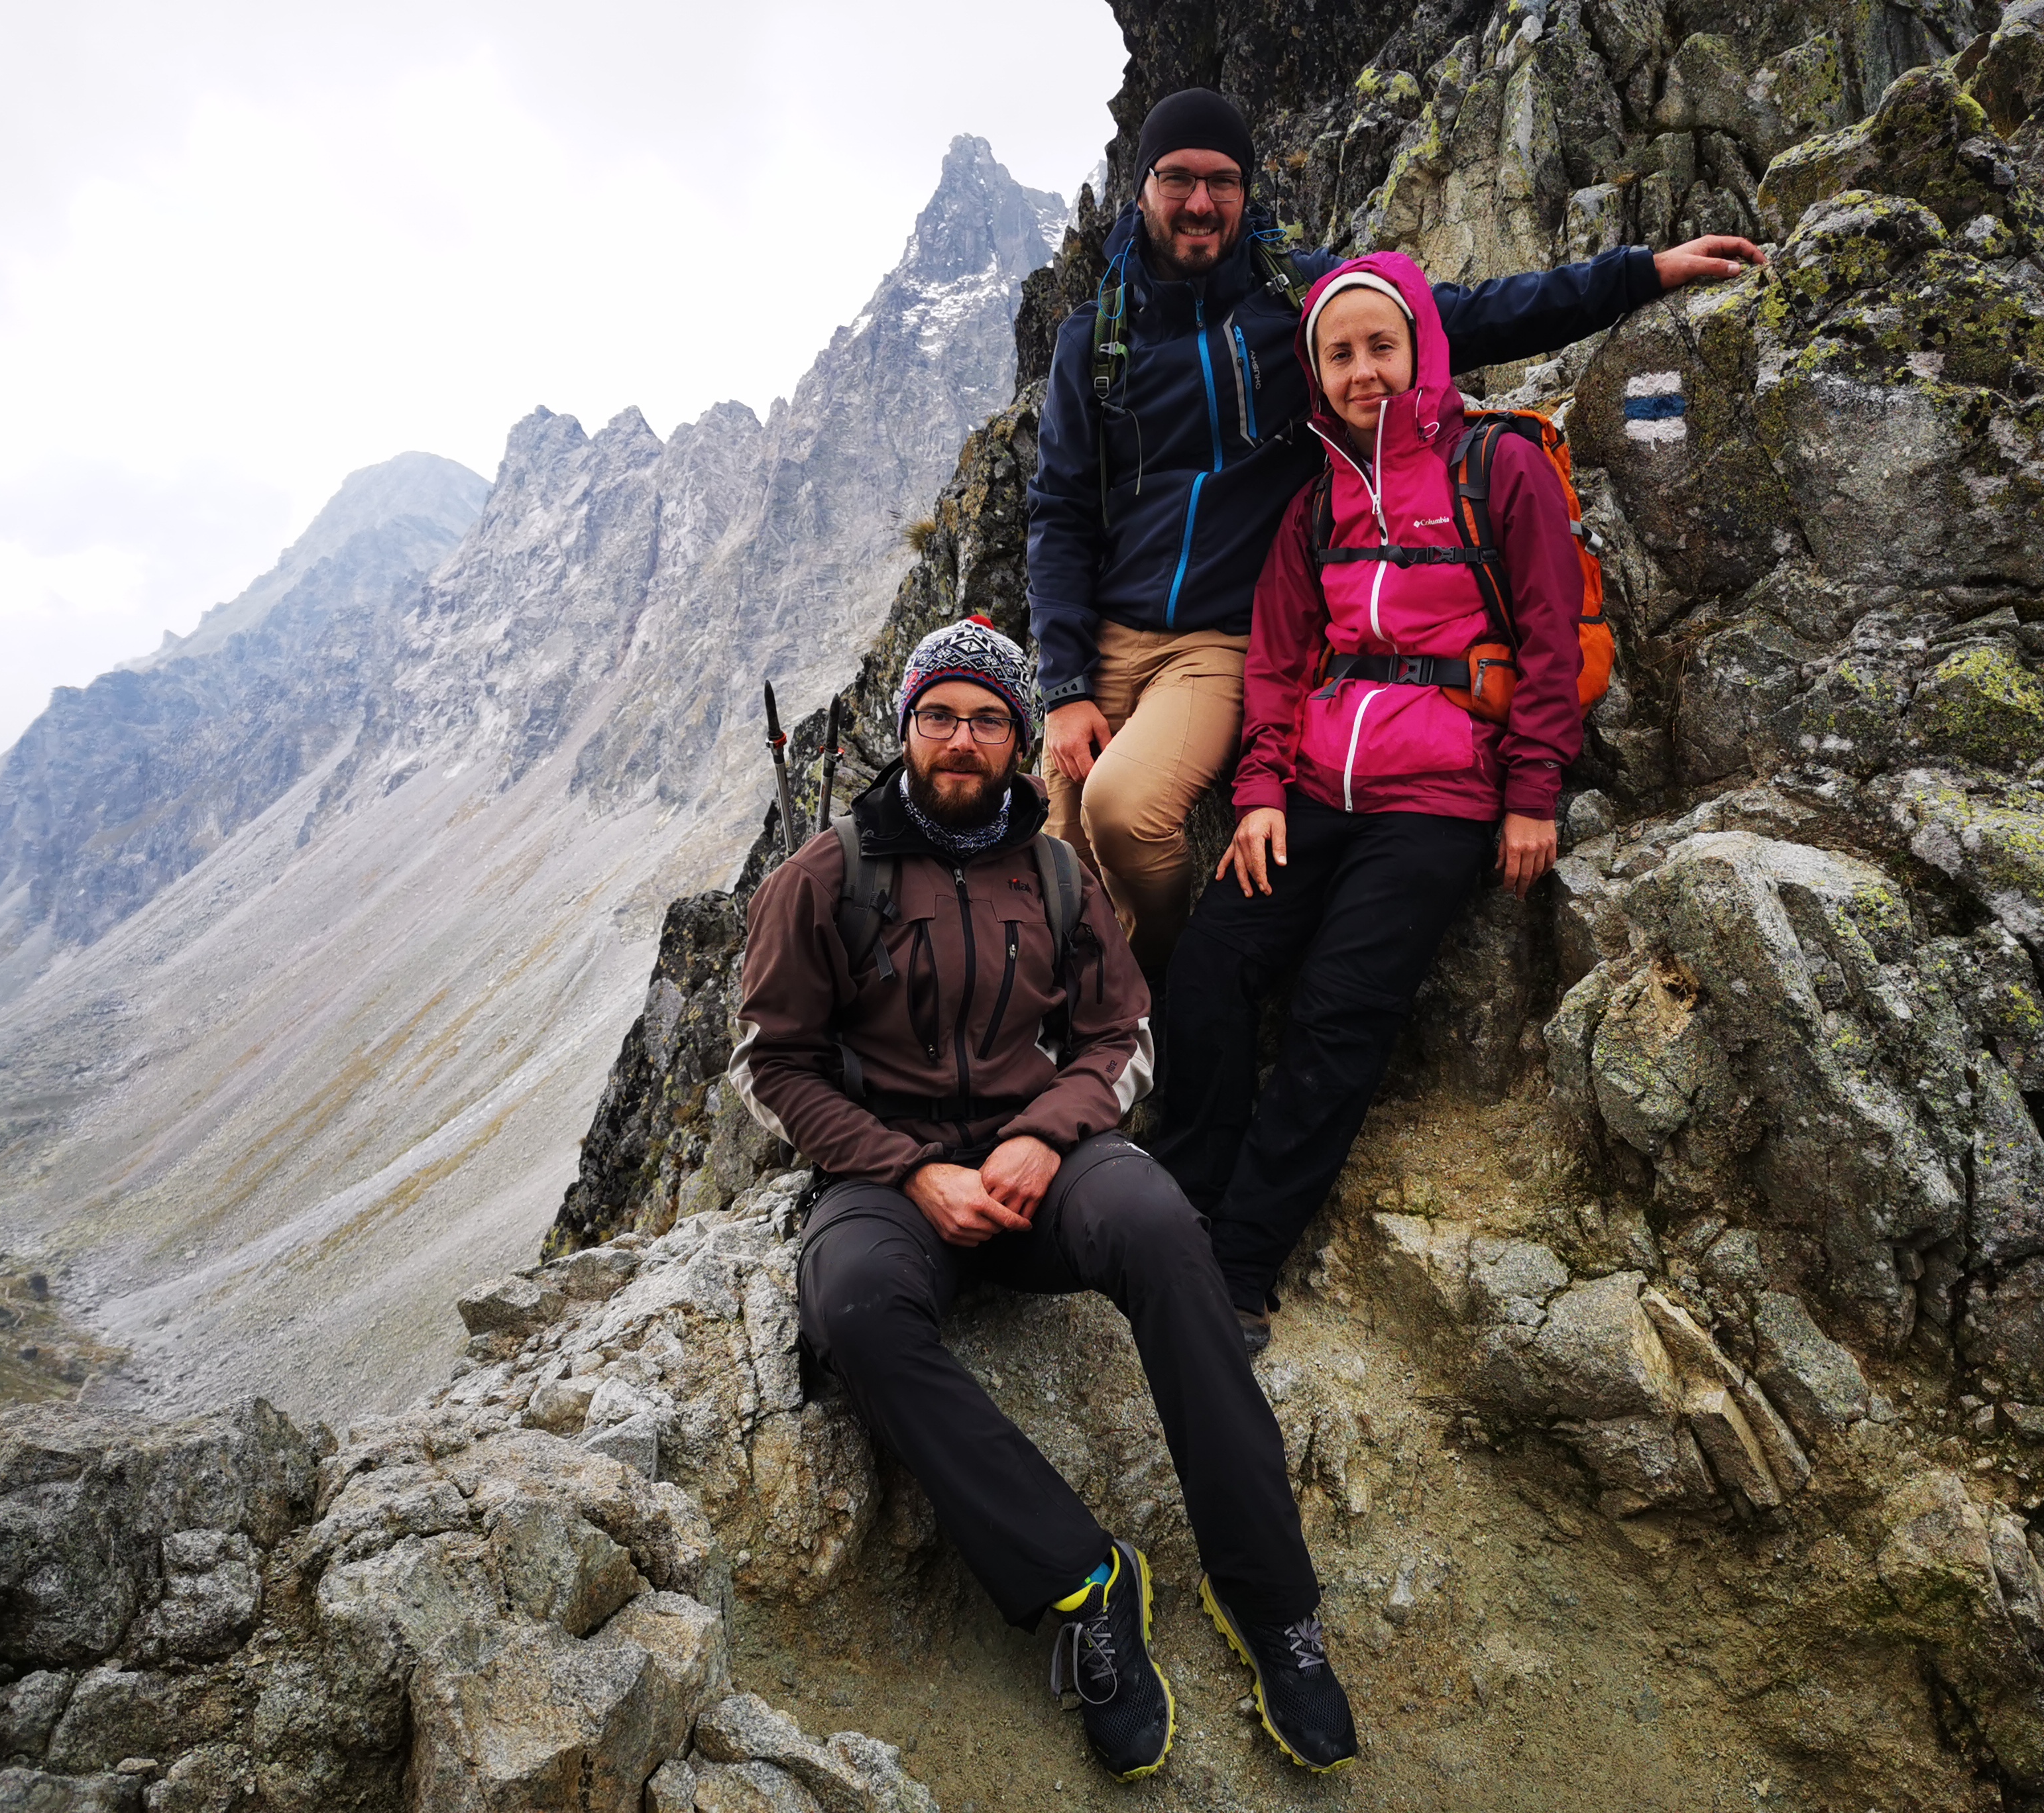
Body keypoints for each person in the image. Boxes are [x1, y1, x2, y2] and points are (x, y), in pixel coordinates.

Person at [726, 616, 1358, 1781]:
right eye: (938, 716)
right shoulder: (824, 877)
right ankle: (1083, 1585)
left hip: (1045, 1162)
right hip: (892, 1179)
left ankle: (1270, 1600)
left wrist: (1039, 1136)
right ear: (907, 727)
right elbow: (772, 1067)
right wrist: (910, 1168)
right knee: (853, 1300)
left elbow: (1122, 1034)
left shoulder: (1060, 875)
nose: (959, 740)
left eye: (985, 719)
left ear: (1019, 738)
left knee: (1168, 1227)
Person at [1028, 85, 1763, 974]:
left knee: (1119, 810)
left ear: (1245, 193)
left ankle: (1152, 1001)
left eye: (1220, 183)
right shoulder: (1093, 339)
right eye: (1177, 179)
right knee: (1053, 851)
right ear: (1140, 188)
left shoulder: (1296, 307)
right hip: (1110, 629)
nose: (1198, 203)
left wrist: (1641, 273)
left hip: (1223, 637)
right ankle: (1084, 1029)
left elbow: (1467, 315)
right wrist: (1064, 683)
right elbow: (1061, 511)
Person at [1152, 253, 1588, 1352]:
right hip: (1312, 793)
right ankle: (1187, 1199)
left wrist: (1531, 795)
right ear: (1317, 371)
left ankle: (1240, 1267)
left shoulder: (1502, 468)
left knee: (1338, 1015)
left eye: (1381, 347)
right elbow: (1278, 661)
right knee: (1210, 964)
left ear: (1420, 349)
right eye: (1339, 355)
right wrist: (1257, 794)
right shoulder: (1315, 505)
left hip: (1441, 802)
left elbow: (1547, 639)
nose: (1364, 372)